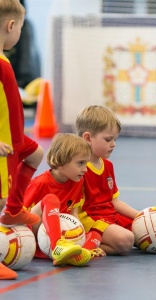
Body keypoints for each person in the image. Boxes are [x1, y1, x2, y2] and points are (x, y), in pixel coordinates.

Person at [0, 0, 43, 279]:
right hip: (3, 142)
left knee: (38, 154)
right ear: (11, 25)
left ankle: (14, 210)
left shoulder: (4, 61)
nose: (19, 36)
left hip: (16, 139)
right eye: (21, 29)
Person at [24, 133, 105, 267]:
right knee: (51, 199)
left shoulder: (78, 181)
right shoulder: (40, 183)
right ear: (61, 163)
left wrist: (79, 236)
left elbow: (73, 213)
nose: (85, 169)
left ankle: (79, 252)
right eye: (80, 163)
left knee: (96, 234)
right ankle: (57, 247)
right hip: (34, 231)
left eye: (86, 163)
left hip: (62, 231)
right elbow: (21, 216)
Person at [75, 105, 139, 255]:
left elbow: (114, 202)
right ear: (88, 138)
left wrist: (140, 215)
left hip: (110, 217)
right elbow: (73, 208)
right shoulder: (78, 168)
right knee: (126, 239)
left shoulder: (108, 165)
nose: (113, 144)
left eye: (115, 139)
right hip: (91, 220)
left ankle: (101, 241)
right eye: (108, 139)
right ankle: (86, 243)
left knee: (145, 231)